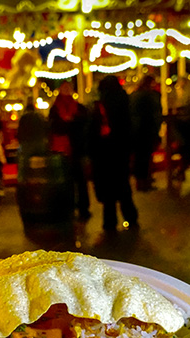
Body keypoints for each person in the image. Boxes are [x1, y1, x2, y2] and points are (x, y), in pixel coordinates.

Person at [88, 75, 139, 233]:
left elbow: (92, 131)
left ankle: (110, 221)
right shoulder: (124, 102)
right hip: (120, 149)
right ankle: (130, 217)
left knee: (109, 188)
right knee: (123, 185)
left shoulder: (100, 105)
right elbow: (130, 127)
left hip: (104, 152)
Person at [49, 81, 90, 220]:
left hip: (73, 149)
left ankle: (79, 208)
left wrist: (70, 122)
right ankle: (74, 208)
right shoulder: (58, 109)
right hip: (67, 149)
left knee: (76, 180)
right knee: (72, 180)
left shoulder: (76, 108)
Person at [129, 76, 163, 191]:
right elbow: (154, 114)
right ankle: (144, 181)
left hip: (135, 130)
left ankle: (140, 180)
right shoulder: (149, 96)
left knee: (139, 157)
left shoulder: (133, 95)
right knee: (145, 156)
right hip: (146, 129)